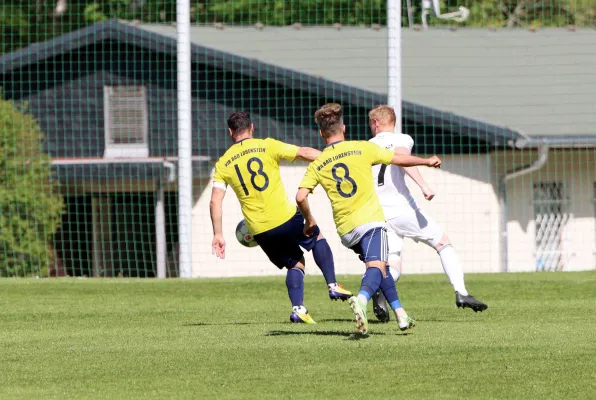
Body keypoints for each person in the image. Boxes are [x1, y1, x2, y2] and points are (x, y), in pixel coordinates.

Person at [296, 103, 442, 335]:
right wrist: (425, 161)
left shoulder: (319, 162)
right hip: (371, 222)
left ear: (322, 133)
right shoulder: (361, 148)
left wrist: (309, 221)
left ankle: (401, 314)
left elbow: (301, 196)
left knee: (380, 268)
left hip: (346, 230)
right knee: (376, 267)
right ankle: (362, 300)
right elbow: (398, 159)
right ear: (343, 128)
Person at [210, 111, 353, 325]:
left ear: (230, 132)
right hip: (286, 216)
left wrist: (218, 234)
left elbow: (215, 201)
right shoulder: (267, 145)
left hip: (260, 229)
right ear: (252, 128)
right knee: (317, 237)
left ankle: (298, 309)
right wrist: (331, 158)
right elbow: (303, 152)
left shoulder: (223, 163)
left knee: (295, 264)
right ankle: (332, 285)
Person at [366, 105, 488, 322]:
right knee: (443, 243)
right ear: (391, 121)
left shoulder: (367, 146)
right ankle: (461, 292)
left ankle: (379, 289)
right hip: (402, 208)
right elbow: (401, 157)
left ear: (375, 123)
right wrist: (423, 185)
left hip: (378, 213)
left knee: (393, 262)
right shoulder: (402, 139)